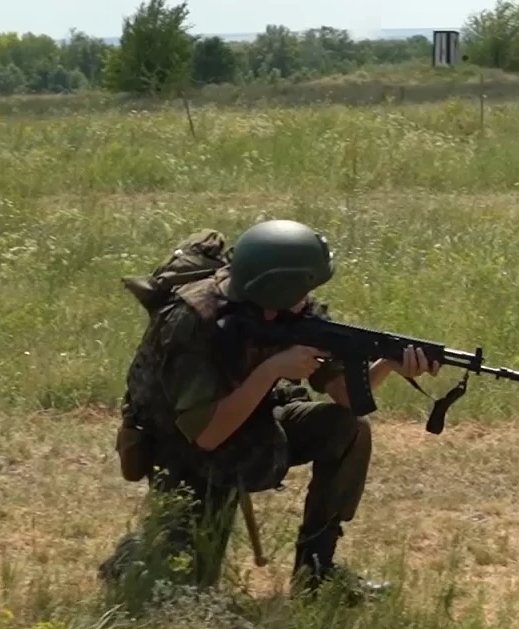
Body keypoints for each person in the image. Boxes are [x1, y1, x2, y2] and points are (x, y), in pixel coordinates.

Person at [101, 219, 435, 604]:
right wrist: (272, 370)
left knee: (348, 428)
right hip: (188, 455)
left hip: (253, 429)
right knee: (180, 590)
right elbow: (206, 434)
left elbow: (344, 395)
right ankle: (135, 557)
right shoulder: (192, 321)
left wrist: (389, 363)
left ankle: (317, 575)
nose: (310, 296)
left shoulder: (292, 315)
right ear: (276, 290)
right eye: (304, 287)